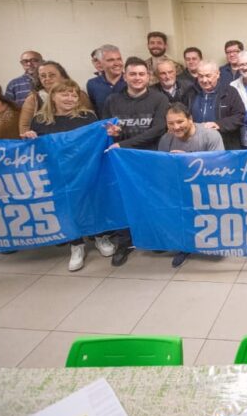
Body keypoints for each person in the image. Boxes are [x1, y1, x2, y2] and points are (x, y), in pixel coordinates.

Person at [23, 79, 110, 271]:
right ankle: (76, 244)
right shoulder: (40, 120)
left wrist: (111, 133)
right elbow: (36, 150)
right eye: (64, 94)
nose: (70, 98)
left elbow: (98, 140)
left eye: (73, 94)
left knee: (92, 202)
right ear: (53, 96)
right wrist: (30, 139)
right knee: (67, 207)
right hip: (58, 173)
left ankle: (100, 236)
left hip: (85, 169)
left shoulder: (87, 117)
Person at [103, 57, 171, 266]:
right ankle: (124, 243)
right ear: (124, 76)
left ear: (148, 77)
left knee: (152, 200)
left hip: (150, 159)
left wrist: (123, 143)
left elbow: (158, 129)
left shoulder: (160, 99)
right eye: (132, 74)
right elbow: (105, 127)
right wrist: (113, 133)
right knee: (123, 201)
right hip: (122, 162)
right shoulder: (112, 100)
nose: (137, 78)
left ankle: (155, 237)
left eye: (142, 74)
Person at [158, 103, 225, 268]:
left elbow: (219, 167)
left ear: (190, 119)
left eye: (180, 121)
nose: (176, 127)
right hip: (181, 187)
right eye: (171, 123)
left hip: (208, 187)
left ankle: (213, 240)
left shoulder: (210, 135)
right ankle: (184, 246)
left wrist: (188, 159)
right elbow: (162, 170)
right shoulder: (166, 140)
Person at [187, 61, 245, 150]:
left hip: (225, 144)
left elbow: (240, 116)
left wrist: (218, 124)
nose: (204, 80)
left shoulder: (230, 92)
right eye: (201, 76)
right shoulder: (191, 93)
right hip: (197, 145)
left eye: (208, 76)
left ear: (217, 74)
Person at [18, 60, 86, 135]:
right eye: (43, 76)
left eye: (52, 75)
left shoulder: (80, 94)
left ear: (63, 76)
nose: (47, 78)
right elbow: (25, 126)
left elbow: (90, 123)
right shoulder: (33, 99)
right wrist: (29, 136)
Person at [86, 44, 126, 112]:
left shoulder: (132, 81)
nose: (117, 63)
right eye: (111, 60)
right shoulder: (92, 84)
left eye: (119, 59)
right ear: (100, 64)